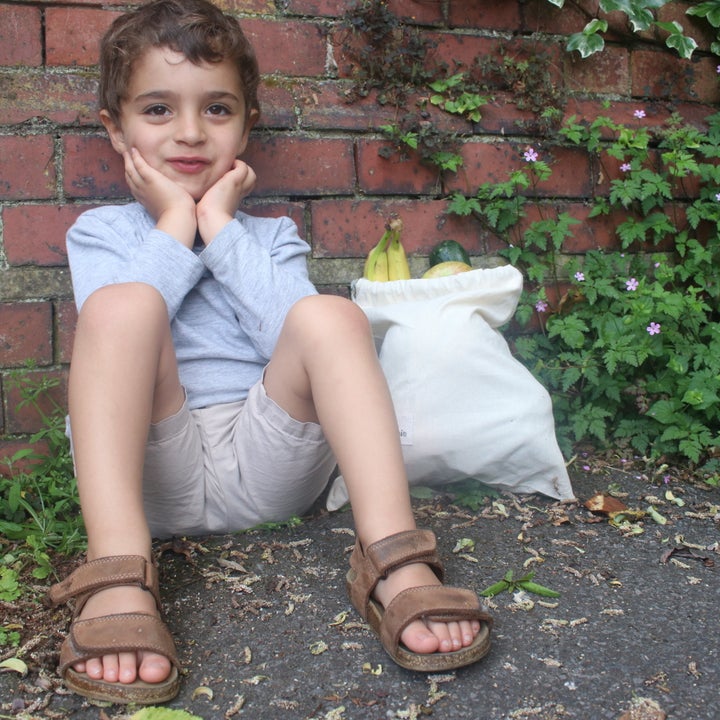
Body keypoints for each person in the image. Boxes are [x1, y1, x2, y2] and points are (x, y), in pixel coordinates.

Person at [48, 0, 493, 705]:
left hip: (270, 457)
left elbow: (285, 335)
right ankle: (118, 575)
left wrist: (220, 226)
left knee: (329, 315)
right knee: (122, 305)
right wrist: (173, 220)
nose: (190, 133)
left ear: (247, 123)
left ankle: (394, 560)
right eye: (158, 110)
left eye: (217, 110)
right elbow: (124, 331)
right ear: (116, 128)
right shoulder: (100, 233)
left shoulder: (271, 235)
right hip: (151, 471)